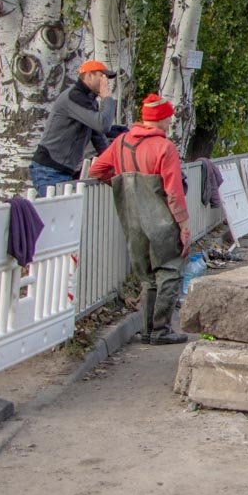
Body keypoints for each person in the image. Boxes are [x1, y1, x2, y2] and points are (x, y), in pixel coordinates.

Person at [88, 94, 190, 345]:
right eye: (168, 118)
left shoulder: (121, 142)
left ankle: (146, 329)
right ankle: (160, 330)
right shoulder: (164, 148)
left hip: (133, 221)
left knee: (147, 277)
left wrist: (120, 182)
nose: (169, 122)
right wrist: (184, 225)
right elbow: (174, 193)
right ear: (162, 118)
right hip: (162, 220)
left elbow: (97, 170)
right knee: (169, 271)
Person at [30, 59, 116, 196]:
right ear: (89, 76)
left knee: (65, 213)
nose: (105, 81)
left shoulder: (88, 100)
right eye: (102, 76)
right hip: (49, 169)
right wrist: (107, 98)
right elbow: (103, 125)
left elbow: (98, 136)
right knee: (58, 214)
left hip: (61, 170)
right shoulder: (74, 96)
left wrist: (113, 163)